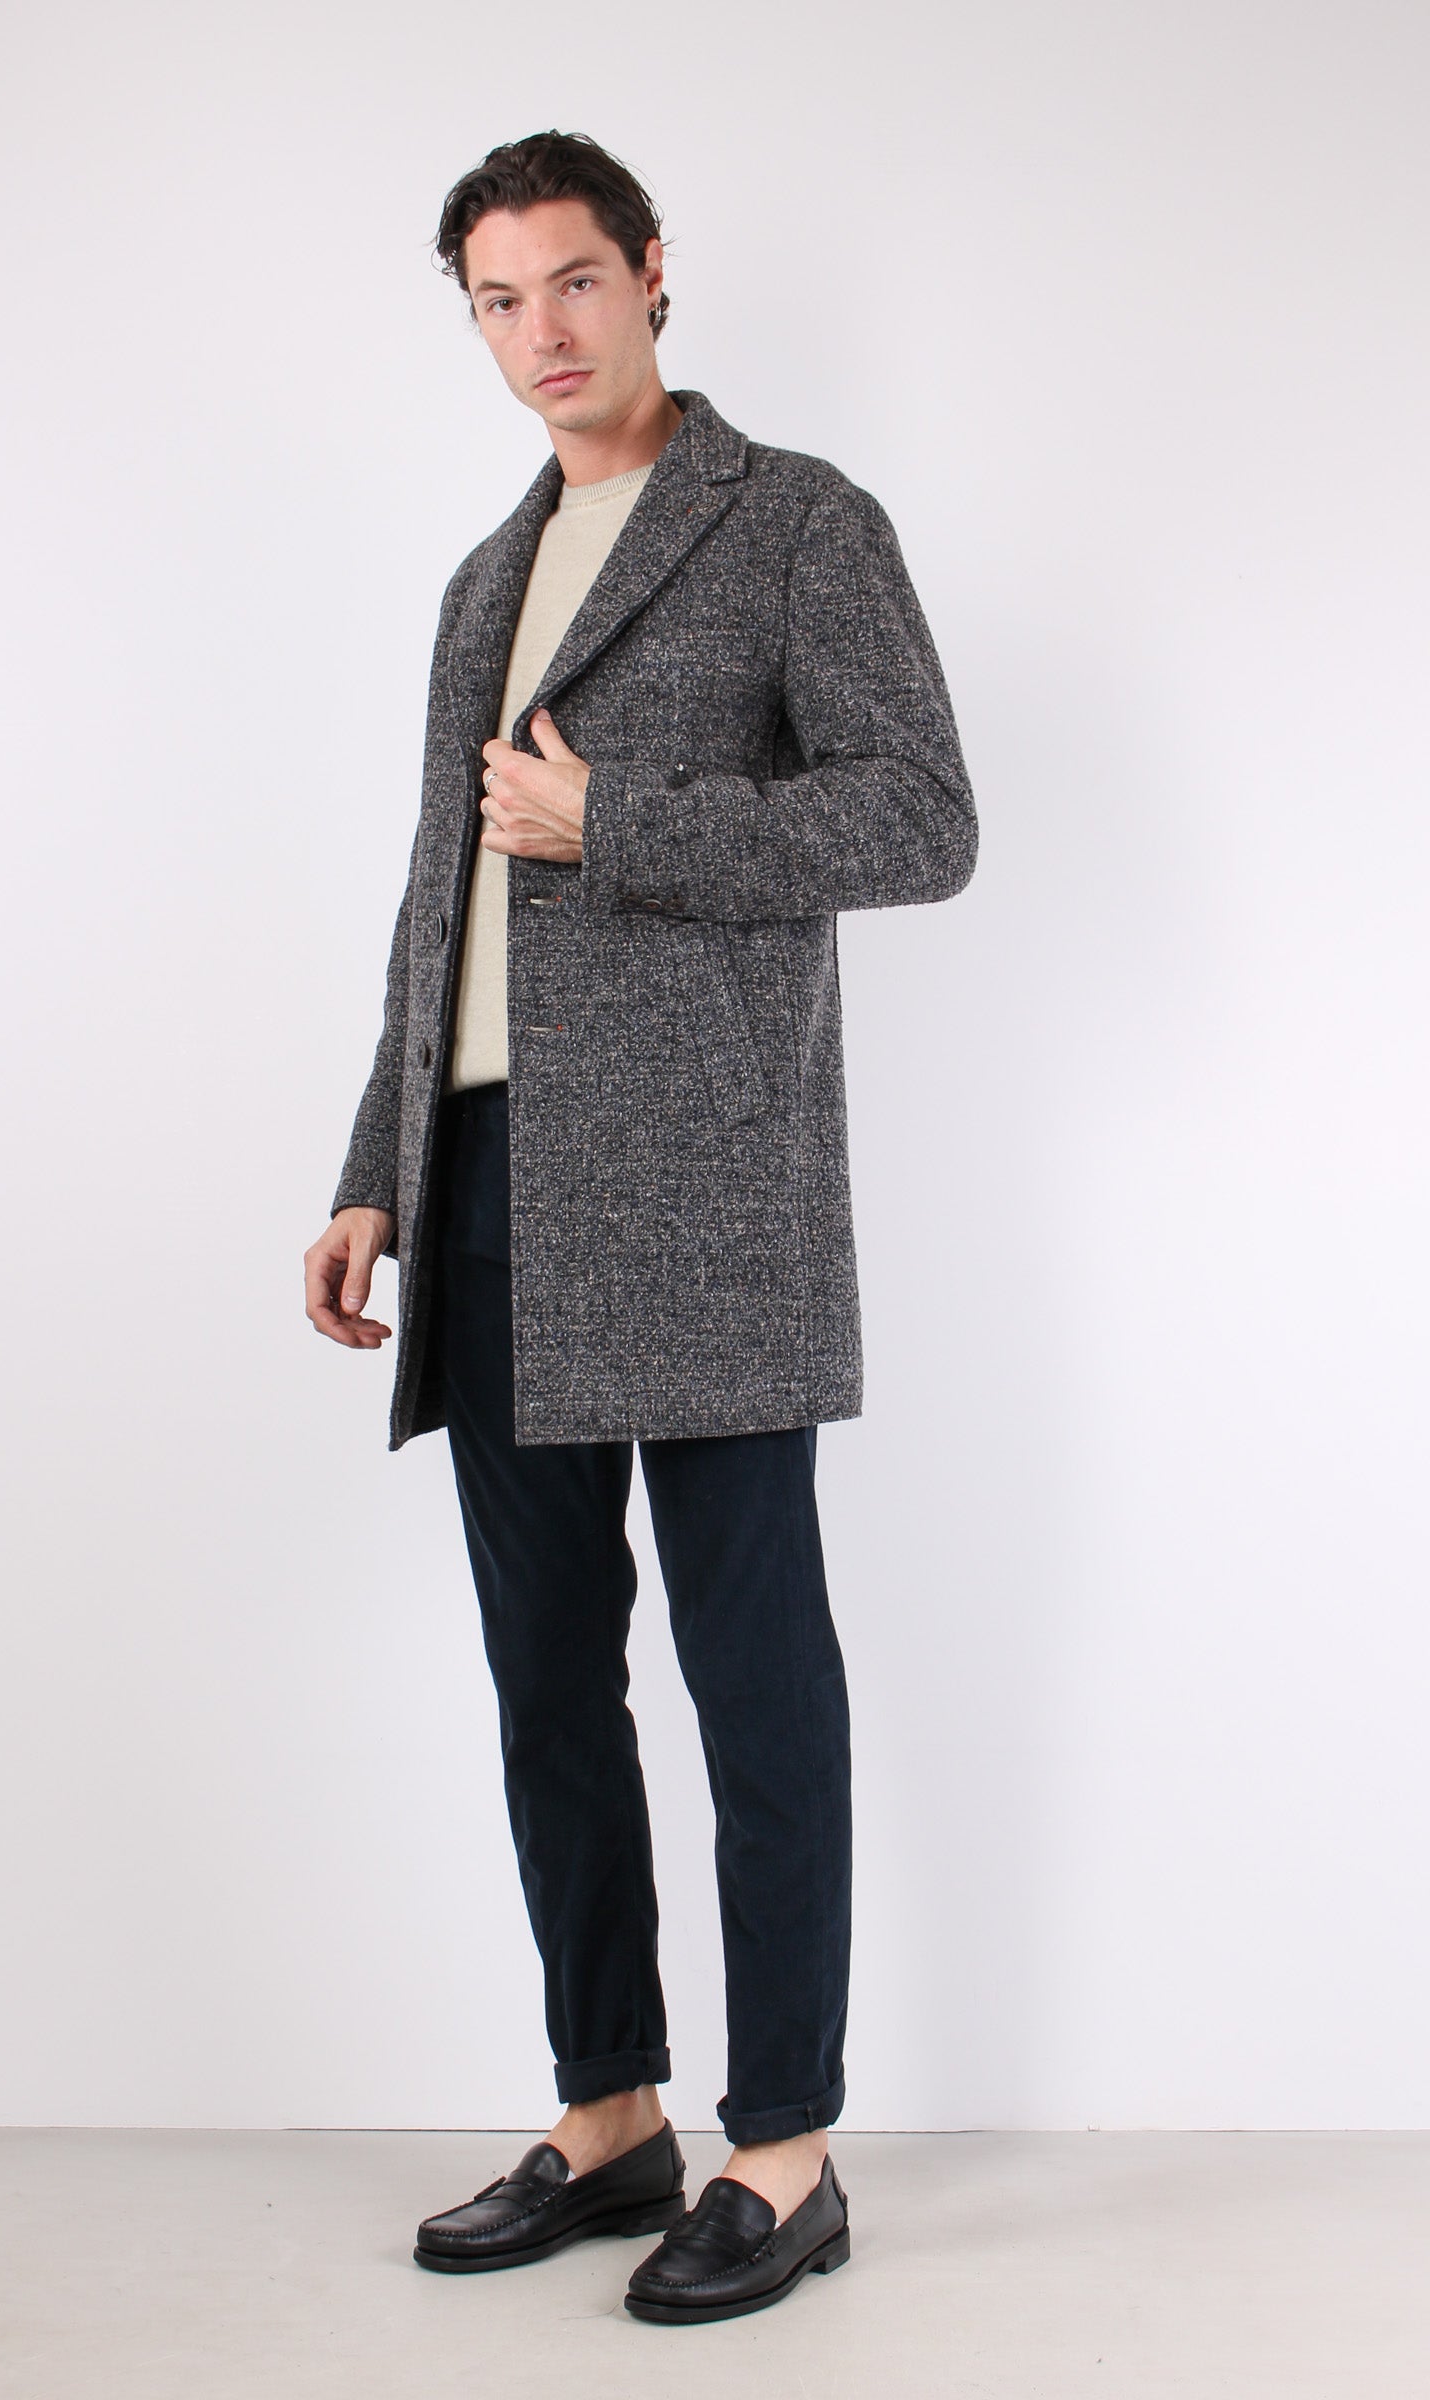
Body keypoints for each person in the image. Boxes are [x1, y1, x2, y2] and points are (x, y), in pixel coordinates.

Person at [303, 129, 977, 2326]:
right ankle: (610, 2117)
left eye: (573, 282)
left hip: (701, 1197)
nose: (541, 334)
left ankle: (782, 2151)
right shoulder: (481, 579)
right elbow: (441, 896)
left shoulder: (793, 523)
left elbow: (922, 819)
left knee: (751, 1675)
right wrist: (375, 1163)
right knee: (544, 1679)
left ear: (654, 271)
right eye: (497, 303)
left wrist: (624, 821)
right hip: (490, 1182)